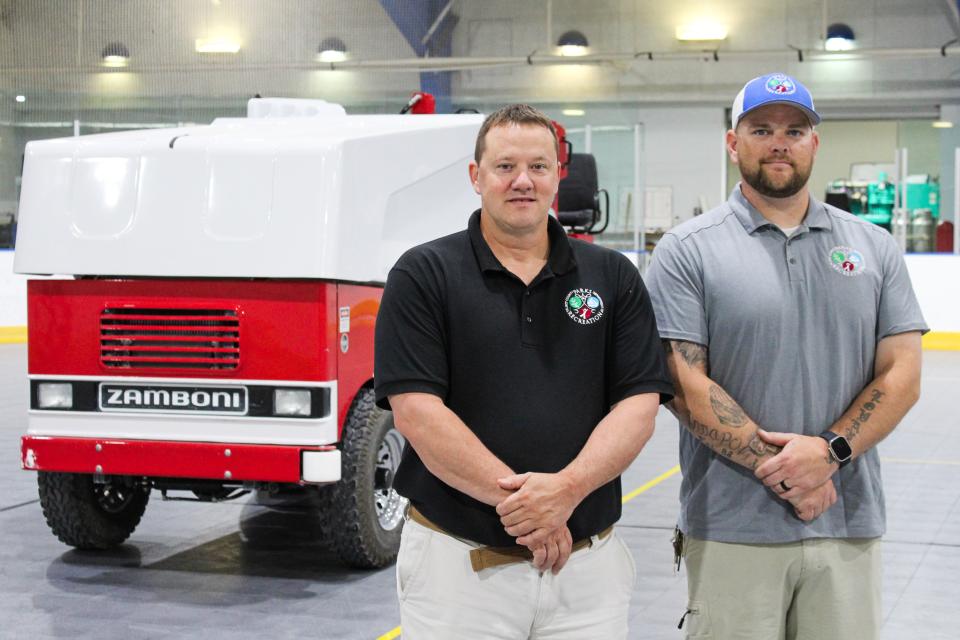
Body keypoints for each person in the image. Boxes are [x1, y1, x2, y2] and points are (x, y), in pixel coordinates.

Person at [645, 72, 927, 640]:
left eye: (795, 130)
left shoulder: (872, 247)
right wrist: (789, 473)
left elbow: (903, 373)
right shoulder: (686, 251)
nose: (780, 141)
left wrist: (830, 453)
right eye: (762, 128)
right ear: (733, 143)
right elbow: (681, 383)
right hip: (730, 528)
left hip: (846, 522)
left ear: (814, 144)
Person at [374, 103, 673, 639]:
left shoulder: (613, 276)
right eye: (505, 166)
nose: (522, 181)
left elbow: (638, 405)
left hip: (587, 575)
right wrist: (534, 510)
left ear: (559, 175)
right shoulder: (423, 274)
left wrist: (566, 491)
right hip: (459, 571)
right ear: (476, 176)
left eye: (538, 166)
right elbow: (417, 413)